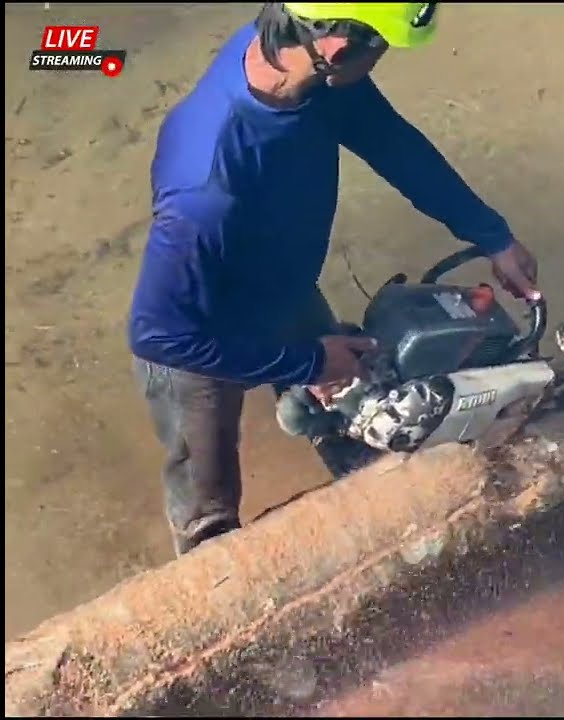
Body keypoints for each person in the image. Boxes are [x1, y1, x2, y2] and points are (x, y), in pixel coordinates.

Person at [128, 3, 540, 556]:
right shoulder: (205, 190)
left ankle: (391, 533)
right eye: (382, 52)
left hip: (285, 290)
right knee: (209, 519)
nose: (381, 64)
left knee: (363, 418)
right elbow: (157, 333)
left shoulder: (308, 69)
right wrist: (307, 363)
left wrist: (492, 236)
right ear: (339, 50)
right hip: (200, 339)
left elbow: (393, 145)